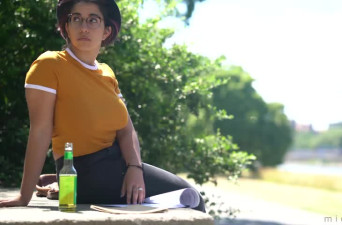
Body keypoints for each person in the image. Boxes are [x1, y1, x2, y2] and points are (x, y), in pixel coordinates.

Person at [0, 0, 205, 212]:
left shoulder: (107, 73)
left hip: (118, 164)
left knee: (191, 198)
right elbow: (40, 131)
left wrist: (134, 167)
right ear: (66, 27)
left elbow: (126, 130)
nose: (84, 27)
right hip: (82, 170)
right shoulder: (49, 65)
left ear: (106, 31)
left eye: (93, 20)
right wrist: (24, 196)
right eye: (76, 19)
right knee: (193, 201)